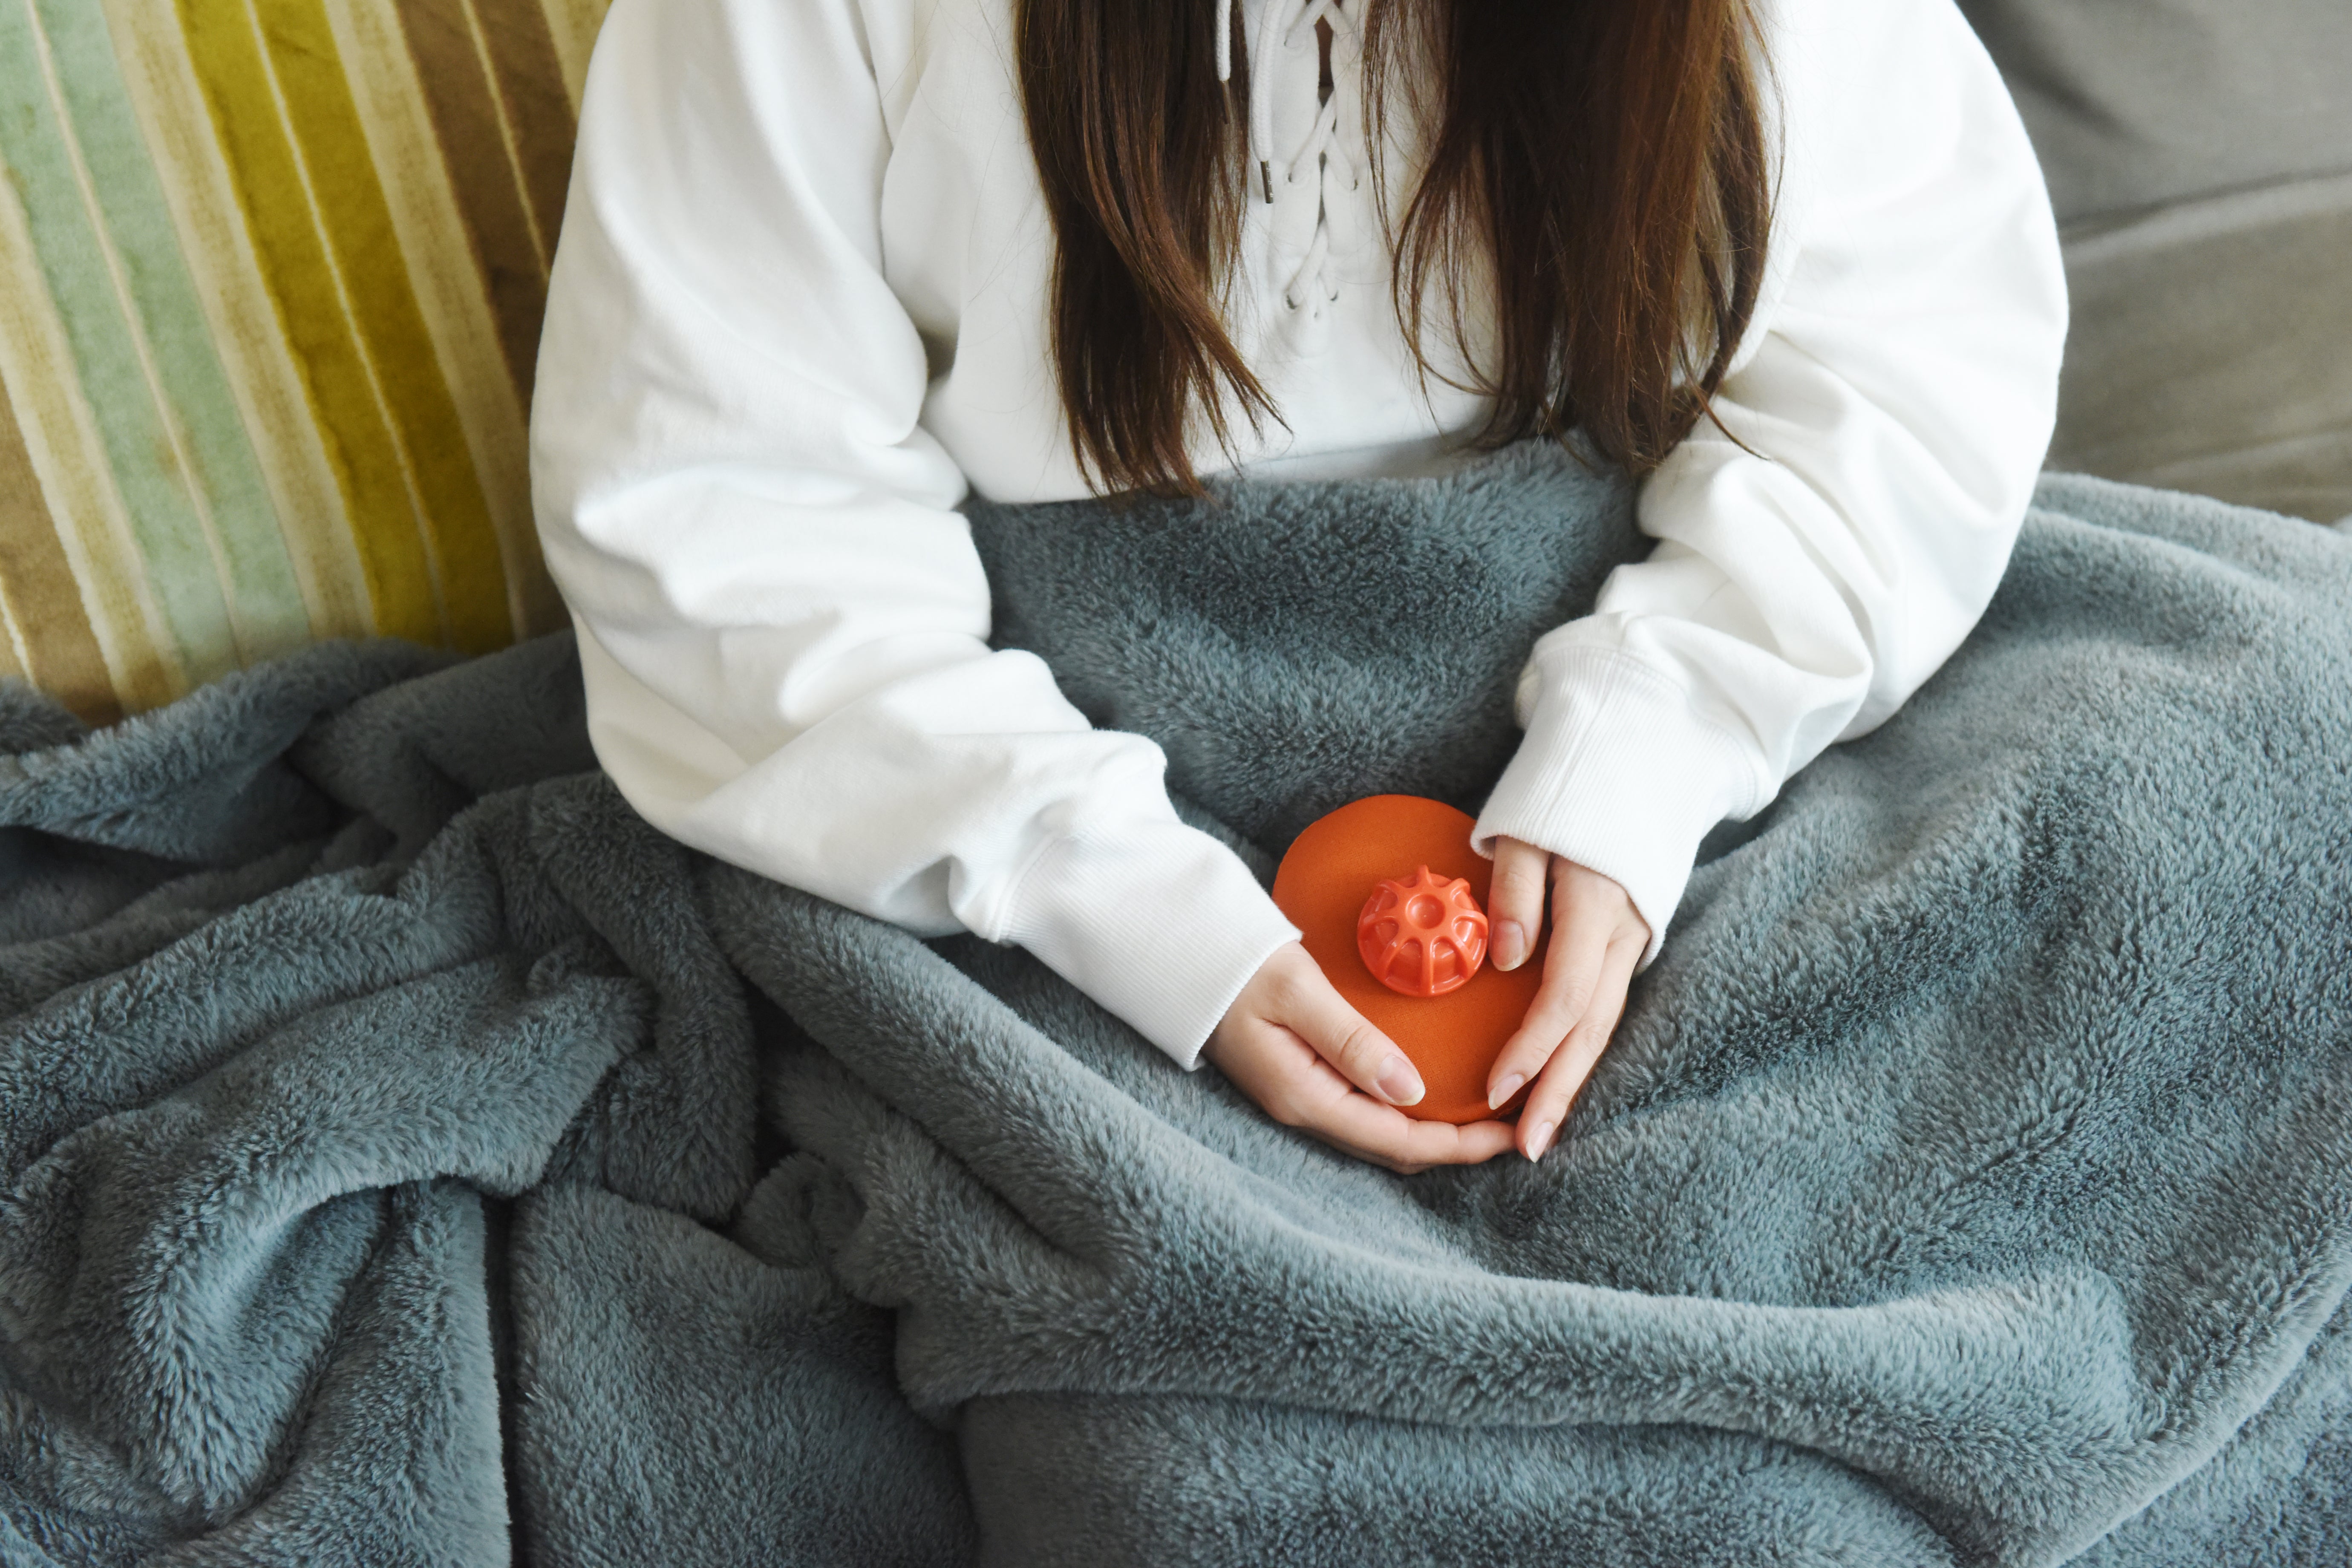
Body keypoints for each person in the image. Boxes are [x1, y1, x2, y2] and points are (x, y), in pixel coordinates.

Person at [529, 0, 2066, 1174]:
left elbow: (1901, 361)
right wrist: (1124, 904)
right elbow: (729, 499)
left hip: (1682, 697)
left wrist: (1657, 752)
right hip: (1024, 779)